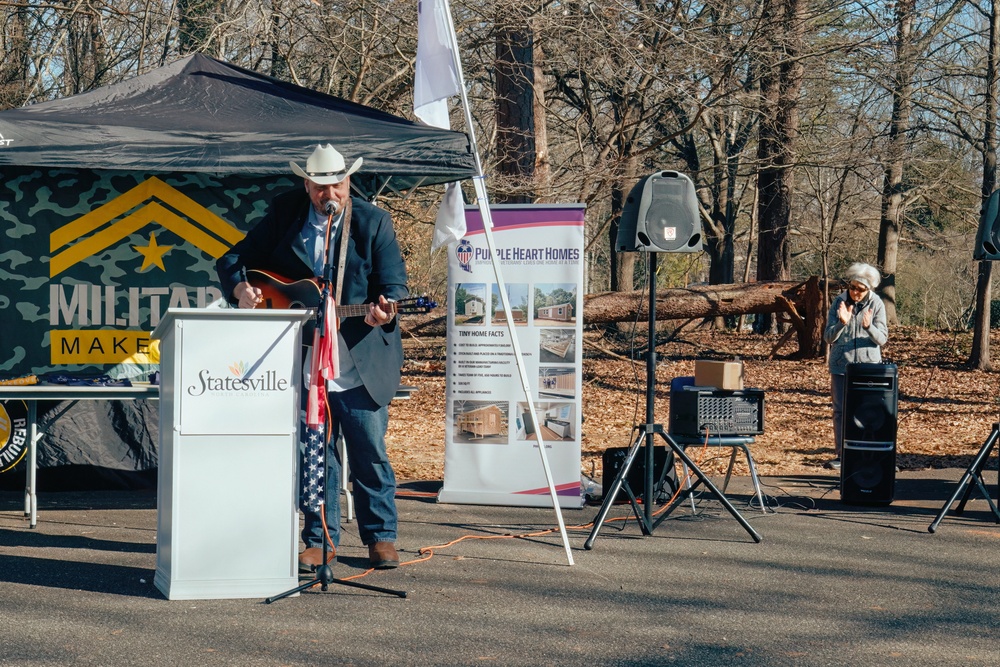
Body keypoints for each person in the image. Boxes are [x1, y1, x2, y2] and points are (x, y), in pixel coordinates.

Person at [215, 144, 408, 570]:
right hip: (303, 360)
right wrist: (241, 289)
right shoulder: (286, 214)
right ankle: (320, 538)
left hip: (358, 361)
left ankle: (381, 537)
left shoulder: (374, 223)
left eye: (337, 186)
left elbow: (394, 286)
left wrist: (384, 310)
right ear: (306, 185)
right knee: (315, 453)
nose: (329, 195)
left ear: (348, 183)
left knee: (368, 451)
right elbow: (233, 259)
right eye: (320, 187)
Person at [822, 262, 888, 470]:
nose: (854, 292)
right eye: (852, 287)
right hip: (841, 366)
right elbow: (827, 337)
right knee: (840, 411)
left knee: (868, 411)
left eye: (860, 289)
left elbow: (882, 339)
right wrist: (842, 323)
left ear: (869, 289)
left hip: (868, 366)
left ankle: (866, 453)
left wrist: (868, 328)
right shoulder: (839, 302)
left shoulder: (877, 304)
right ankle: (842, 456)